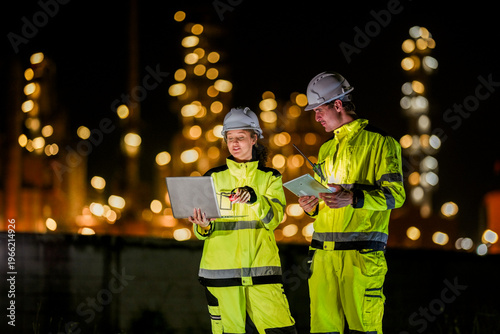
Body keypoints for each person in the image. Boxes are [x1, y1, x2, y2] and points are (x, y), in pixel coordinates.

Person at [298, 72, 406, 334]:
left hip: (361, 256)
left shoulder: (382, 143)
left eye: (319, 110)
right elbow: (325, 201)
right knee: (323, 330)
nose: (317, 117)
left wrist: (354, 197)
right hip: (323, 256)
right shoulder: (326, 150)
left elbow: (396, 196)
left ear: (337, 104)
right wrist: (311, 206)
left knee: (363, 329)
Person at [189, 107, 297, 334]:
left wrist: (255, 199)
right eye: (230, 138)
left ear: (254, 138)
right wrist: (202, 225)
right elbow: (203, 231)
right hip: (221, 276)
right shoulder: (213, 177)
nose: (234, 143)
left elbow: (274, 219)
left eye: (240, 137)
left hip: (261, 276)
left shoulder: (270, 178)